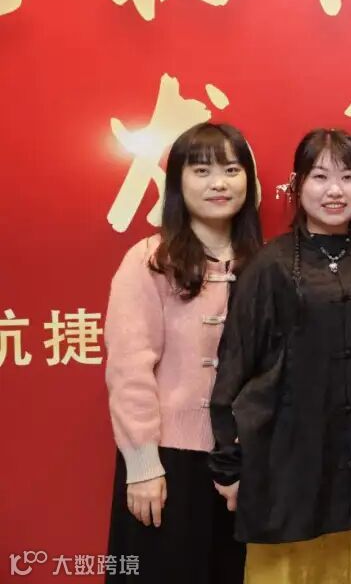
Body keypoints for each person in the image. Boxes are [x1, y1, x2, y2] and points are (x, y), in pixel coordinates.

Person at [209, 129, 351, 584]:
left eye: (348, 177)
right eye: (320, 177)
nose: (335, 190)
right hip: (284, 463)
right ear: (297, 186)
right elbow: (235, 362)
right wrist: (228, 463)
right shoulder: (270, 265)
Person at [104, 122, 260, 584]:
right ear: (178, 182)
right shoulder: (150, 259)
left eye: (231, 169)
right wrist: (142, 466)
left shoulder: (266, 264)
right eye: (201, 170)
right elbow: (129, 369)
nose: (219, 183)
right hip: (168, 460)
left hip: (245, 461)